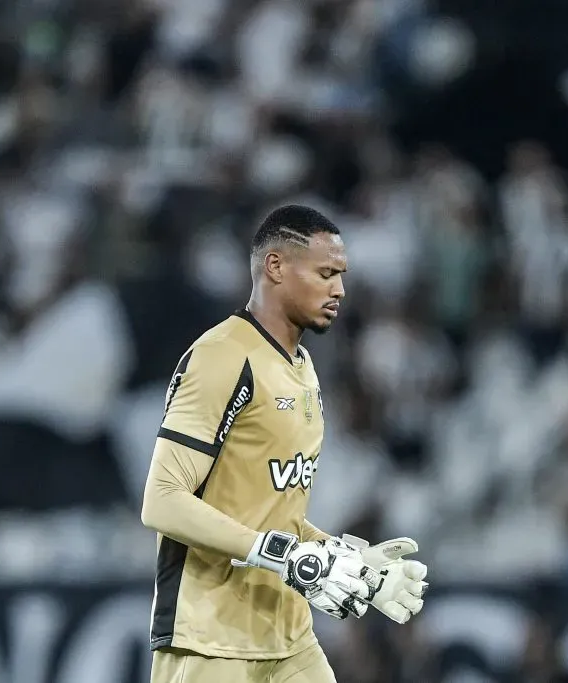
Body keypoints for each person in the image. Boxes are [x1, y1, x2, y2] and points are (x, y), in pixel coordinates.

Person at [141, 205, 429, 682]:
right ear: (275, 267)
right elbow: (162, 501)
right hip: (210, 642)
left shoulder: (302, 369)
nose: (339, 289)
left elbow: (273, 513)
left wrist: (347, 560)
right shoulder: (223, 356)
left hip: (289, 638)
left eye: (340, 276)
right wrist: (285, 554)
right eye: (325, 273)